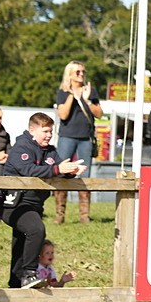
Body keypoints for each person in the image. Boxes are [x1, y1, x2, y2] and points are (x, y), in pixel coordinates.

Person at [0, 112, 86, 288]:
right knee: (36, 230)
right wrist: (58, 169)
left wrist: (71, 171)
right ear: (32, 130)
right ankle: (30, 274)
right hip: (15, 205)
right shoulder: (20, 148)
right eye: (45, 131)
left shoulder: (51, 151)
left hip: (35, 205)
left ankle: (16, 283)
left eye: (51, 131)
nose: (49, 135)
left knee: (21, 243)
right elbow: (29, 170)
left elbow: (58, 169)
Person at [54, 61, 101, 224]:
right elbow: (63, 115)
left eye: (83, 71)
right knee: (62, 172)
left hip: (85, 138)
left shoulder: (90, 91)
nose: (81, 74)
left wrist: (87, 100)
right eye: (77, 72)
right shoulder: (62, 92)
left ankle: (84, 215)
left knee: (85, 175)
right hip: (67, 137)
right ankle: (60, 214)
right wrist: (73, 97)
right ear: (69, 74)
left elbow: (99, 113)